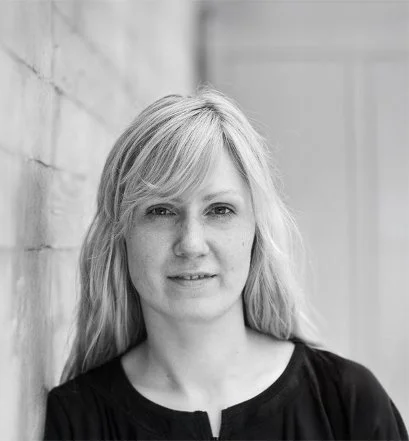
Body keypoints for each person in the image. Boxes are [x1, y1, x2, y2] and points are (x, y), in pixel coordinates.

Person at [43, 89, 408, 440]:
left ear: (256, 229)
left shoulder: (348, 404)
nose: (191, 243)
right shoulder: (78, 421)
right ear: (121, 233)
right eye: (161, 211)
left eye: (219, 210)